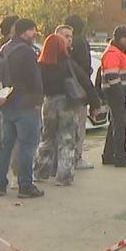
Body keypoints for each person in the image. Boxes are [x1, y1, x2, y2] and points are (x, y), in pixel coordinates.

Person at [34, 34, 96, 186]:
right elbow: (86, 82)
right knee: (67, 140)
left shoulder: (40, 65)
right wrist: (95, 103)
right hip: (67, 103)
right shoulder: (68, 64)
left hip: (48, 103)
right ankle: (64, 176)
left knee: (47, 138)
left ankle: (40, 172)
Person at [0, 18, 45, 199]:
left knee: (5, 146)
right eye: (32, 30)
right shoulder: (27, 51)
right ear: (26, 31)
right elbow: (34, 78)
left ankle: (0, 184)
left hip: (8, 102)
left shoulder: (5, 48)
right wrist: (38, 100)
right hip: (26, 103)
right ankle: (25, 185)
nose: (34, 34)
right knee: (27, 146)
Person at [99, 26, 126, 168]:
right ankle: (120, 156)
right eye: (124, 37)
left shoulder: (120, 52)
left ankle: (108, 155)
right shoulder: (113, 53)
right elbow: (112, 75)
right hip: (115, 93)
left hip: (117, 92)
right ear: (117, 38)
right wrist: (120, 92)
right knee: (120, 125)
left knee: (114, 124)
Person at [63, 15, 94, 170]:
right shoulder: (81, 42)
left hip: (64, 91)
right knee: (79, 125)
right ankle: (77, 157)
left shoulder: (59, 43)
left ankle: (64, 158)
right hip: (78, 89)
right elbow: (84, 67)